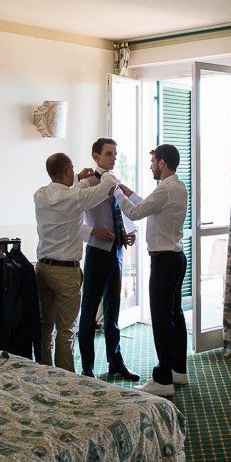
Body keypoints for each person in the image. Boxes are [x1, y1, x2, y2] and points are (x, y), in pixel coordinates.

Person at [112, 144, 189, 397]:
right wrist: (128, 191)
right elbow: (148, 204)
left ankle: (163, 378)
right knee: (175, 316)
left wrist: (115, 193)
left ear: (163, 163)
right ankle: (179, 370)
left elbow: (135, 211)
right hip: (176, 257)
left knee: (161, 319)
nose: (151, 166)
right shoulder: (177, 187)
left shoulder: (165, 189)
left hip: (164, 262)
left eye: (154, 161)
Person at [33, 152, 118, 372]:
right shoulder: (76, 198)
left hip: (42, 268)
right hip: (65, 273)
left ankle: (44, 372)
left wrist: (77, 179)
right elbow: (107, 186)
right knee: (66, 330)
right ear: (68, 171)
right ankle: (65, 379)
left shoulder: (40, 195)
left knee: (45, 326)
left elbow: (66, 193)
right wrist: (106, 172)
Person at [77, 138, 139, 381]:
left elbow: (125, 211)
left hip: (117, 252)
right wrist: (95, 232)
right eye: (109, 154)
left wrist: (126, 234)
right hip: (95, 253)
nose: (114, 158)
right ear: (96, 156)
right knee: (89, 312)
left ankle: (116, 362)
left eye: (115, 154)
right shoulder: (85, 185)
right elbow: (73, 222)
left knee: (113, 312)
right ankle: (87, 368)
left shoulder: (116, 182)